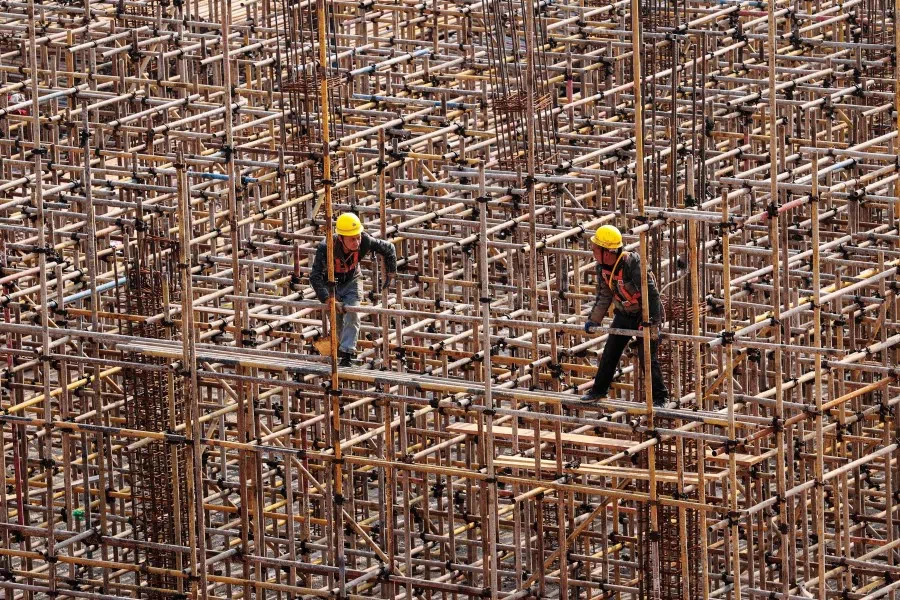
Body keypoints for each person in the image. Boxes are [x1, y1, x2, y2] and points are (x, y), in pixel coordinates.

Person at [579, 224, 669, 406]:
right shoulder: (603, 268)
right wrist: (593, 320)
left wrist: (651, 322)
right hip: (623, 314)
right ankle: (598, 390)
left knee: (647, 358)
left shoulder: (632, 264)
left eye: (596, 249)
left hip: (644, 315)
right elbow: (604, 295)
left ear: (608, 252)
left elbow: (652, 295)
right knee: (610, 352)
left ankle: (660, 398)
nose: (593, 252)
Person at [310, 213, 397, 366]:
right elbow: (315, 277)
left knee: (353, 313)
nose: (357, 242)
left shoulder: (365, 241)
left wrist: (390, 273)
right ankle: (339, 351)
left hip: (352, 280)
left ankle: (347, 354)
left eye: (358, 237)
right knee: (336, 320)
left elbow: (389, 248)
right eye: (352, 239)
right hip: (331, 284)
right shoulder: (326, 247)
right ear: (341, 237)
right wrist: (328, 299)